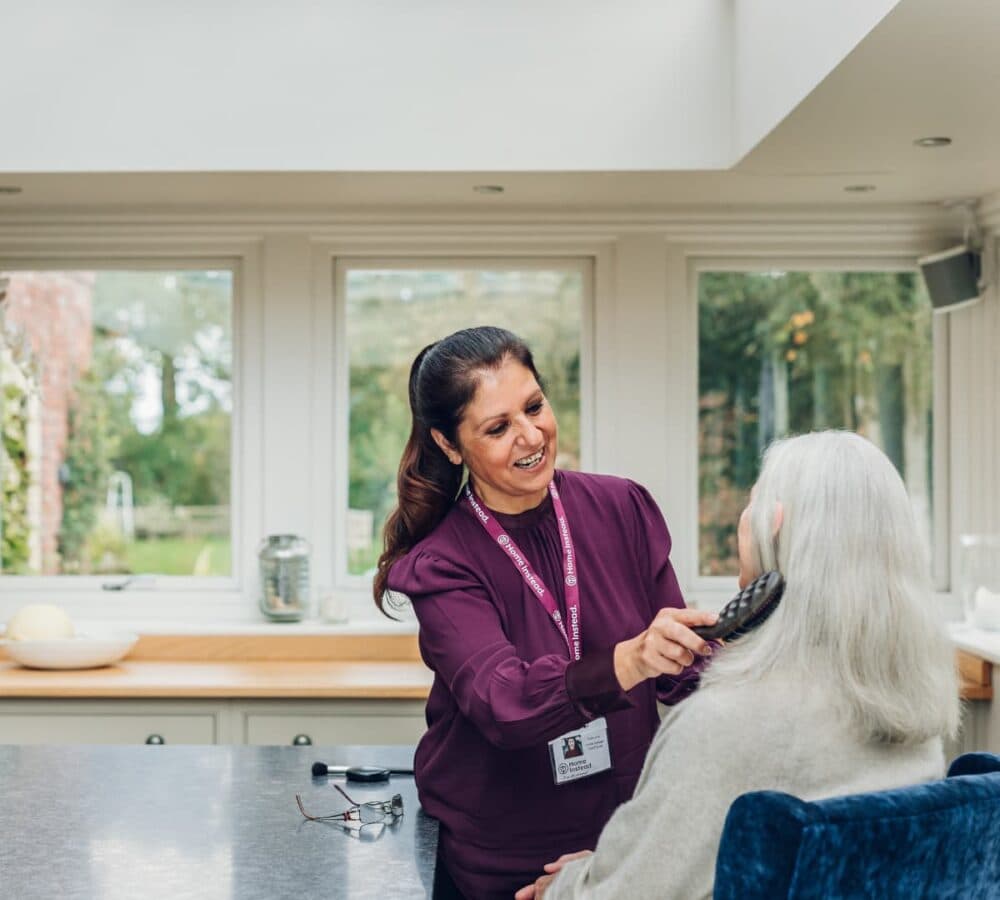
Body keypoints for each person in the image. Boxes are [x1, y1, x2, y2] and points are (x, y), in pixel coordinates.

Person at [517, 430, 960, 900]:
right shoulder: (915, 717)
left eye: (752, 503)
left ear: (775, 525)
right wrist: (608, 865)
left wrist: (563, 886)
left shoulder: (722, 725)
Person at [373, 326, 718, 900]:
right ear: (450, 445)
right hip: (501, 864)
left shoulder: (622, 508)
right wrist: (630, 660)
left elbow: (683, 672)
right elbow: (503, 704)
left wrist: (736, 650)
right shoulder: (442, 563)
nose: (530, 435)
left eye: (534, 407)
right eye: (497, 427)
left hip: (618, 850)